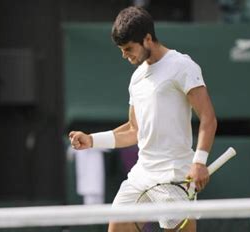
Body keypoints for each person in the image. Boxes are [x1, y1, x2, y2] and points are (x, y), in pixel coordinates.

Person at [68, 6, 217, 232]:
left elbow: (208, 118)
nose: (124, 55)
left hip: (175, 175)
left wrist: (199, 162)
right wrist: (92, 140)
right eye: (121, 49)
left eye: (128, 48)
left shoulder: (182, 65)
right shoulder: (136, 78)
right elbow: (134, 130)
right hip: (141, 174)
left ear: (148, 39)